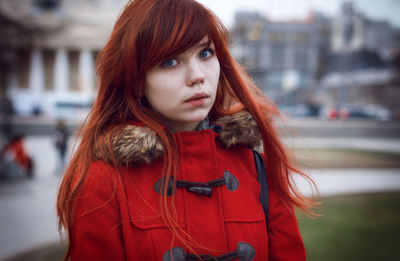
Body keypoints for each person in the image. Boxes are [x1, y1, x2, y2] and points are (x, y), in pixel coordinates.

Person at [57, 0, 317, 260]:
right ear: (136, 80)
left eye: (205, 54)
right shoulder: (103, 181)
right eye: (170, 61)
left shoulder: (256, 165)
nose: (197, 76)